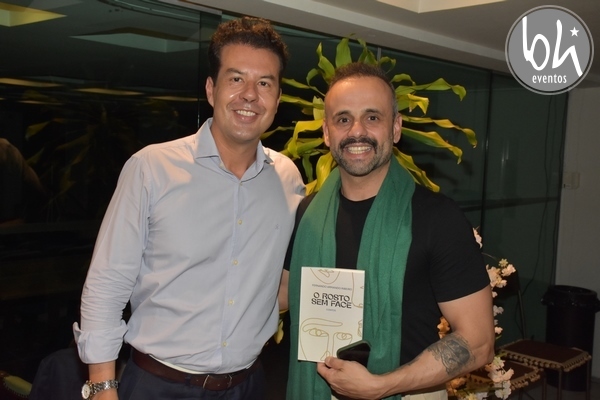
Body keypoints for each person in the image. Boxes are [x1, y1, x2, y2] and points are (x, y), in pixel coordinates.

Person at [73, 16, 305, 400]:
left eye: (264, 83)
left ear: (277, 100)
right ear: (212, 89)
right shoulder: (151, 168)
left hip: (248, 386)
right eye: (236, 79)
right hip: (157, 386)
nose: (250, 95)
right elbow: (107, 285)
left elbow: (280, 284)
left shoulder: (287, 179)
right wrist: (102, 387)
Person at [282, 62, 495, 400]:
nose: (357, 131)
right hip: (316, 389)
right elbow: (281, 294)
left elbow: (479, 342)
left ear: (395, 127)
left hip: (406, 392)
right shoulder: (308, 214)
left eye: (372, 117)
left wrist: (382, 386)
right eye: (343, 119)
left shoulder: (438, 218)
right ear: (326, 132)